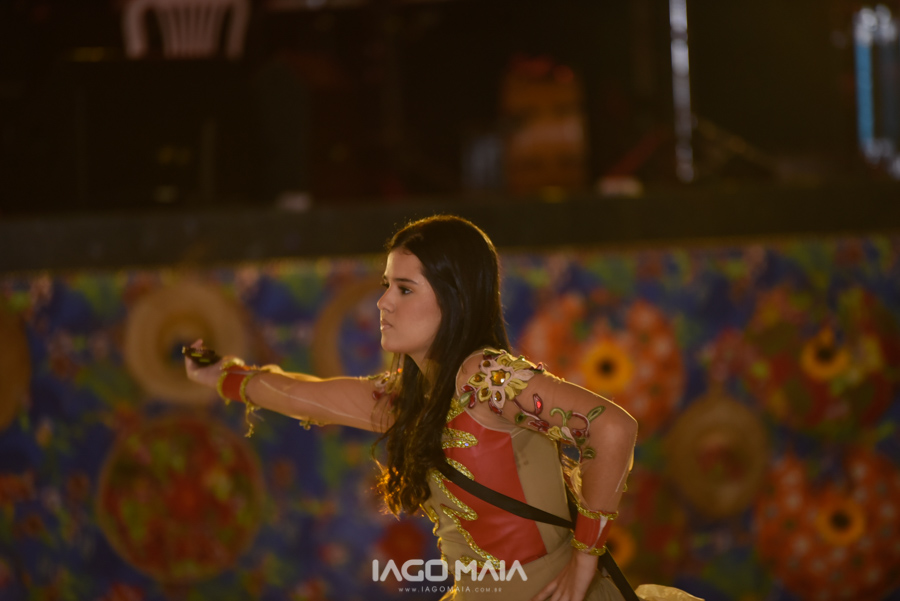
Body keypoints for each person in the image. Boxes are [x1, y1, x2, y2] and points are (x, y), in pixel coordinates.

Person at [185, 215, 697, 601]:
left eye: (405, 289)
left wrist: (586, 561)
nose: (383, 302)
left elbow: (612, 428)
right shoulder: (409, 400)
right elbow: (304, 394)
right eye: (386, 286)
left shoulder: (483, 376)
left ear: (454, 299)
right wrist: (225, 376)